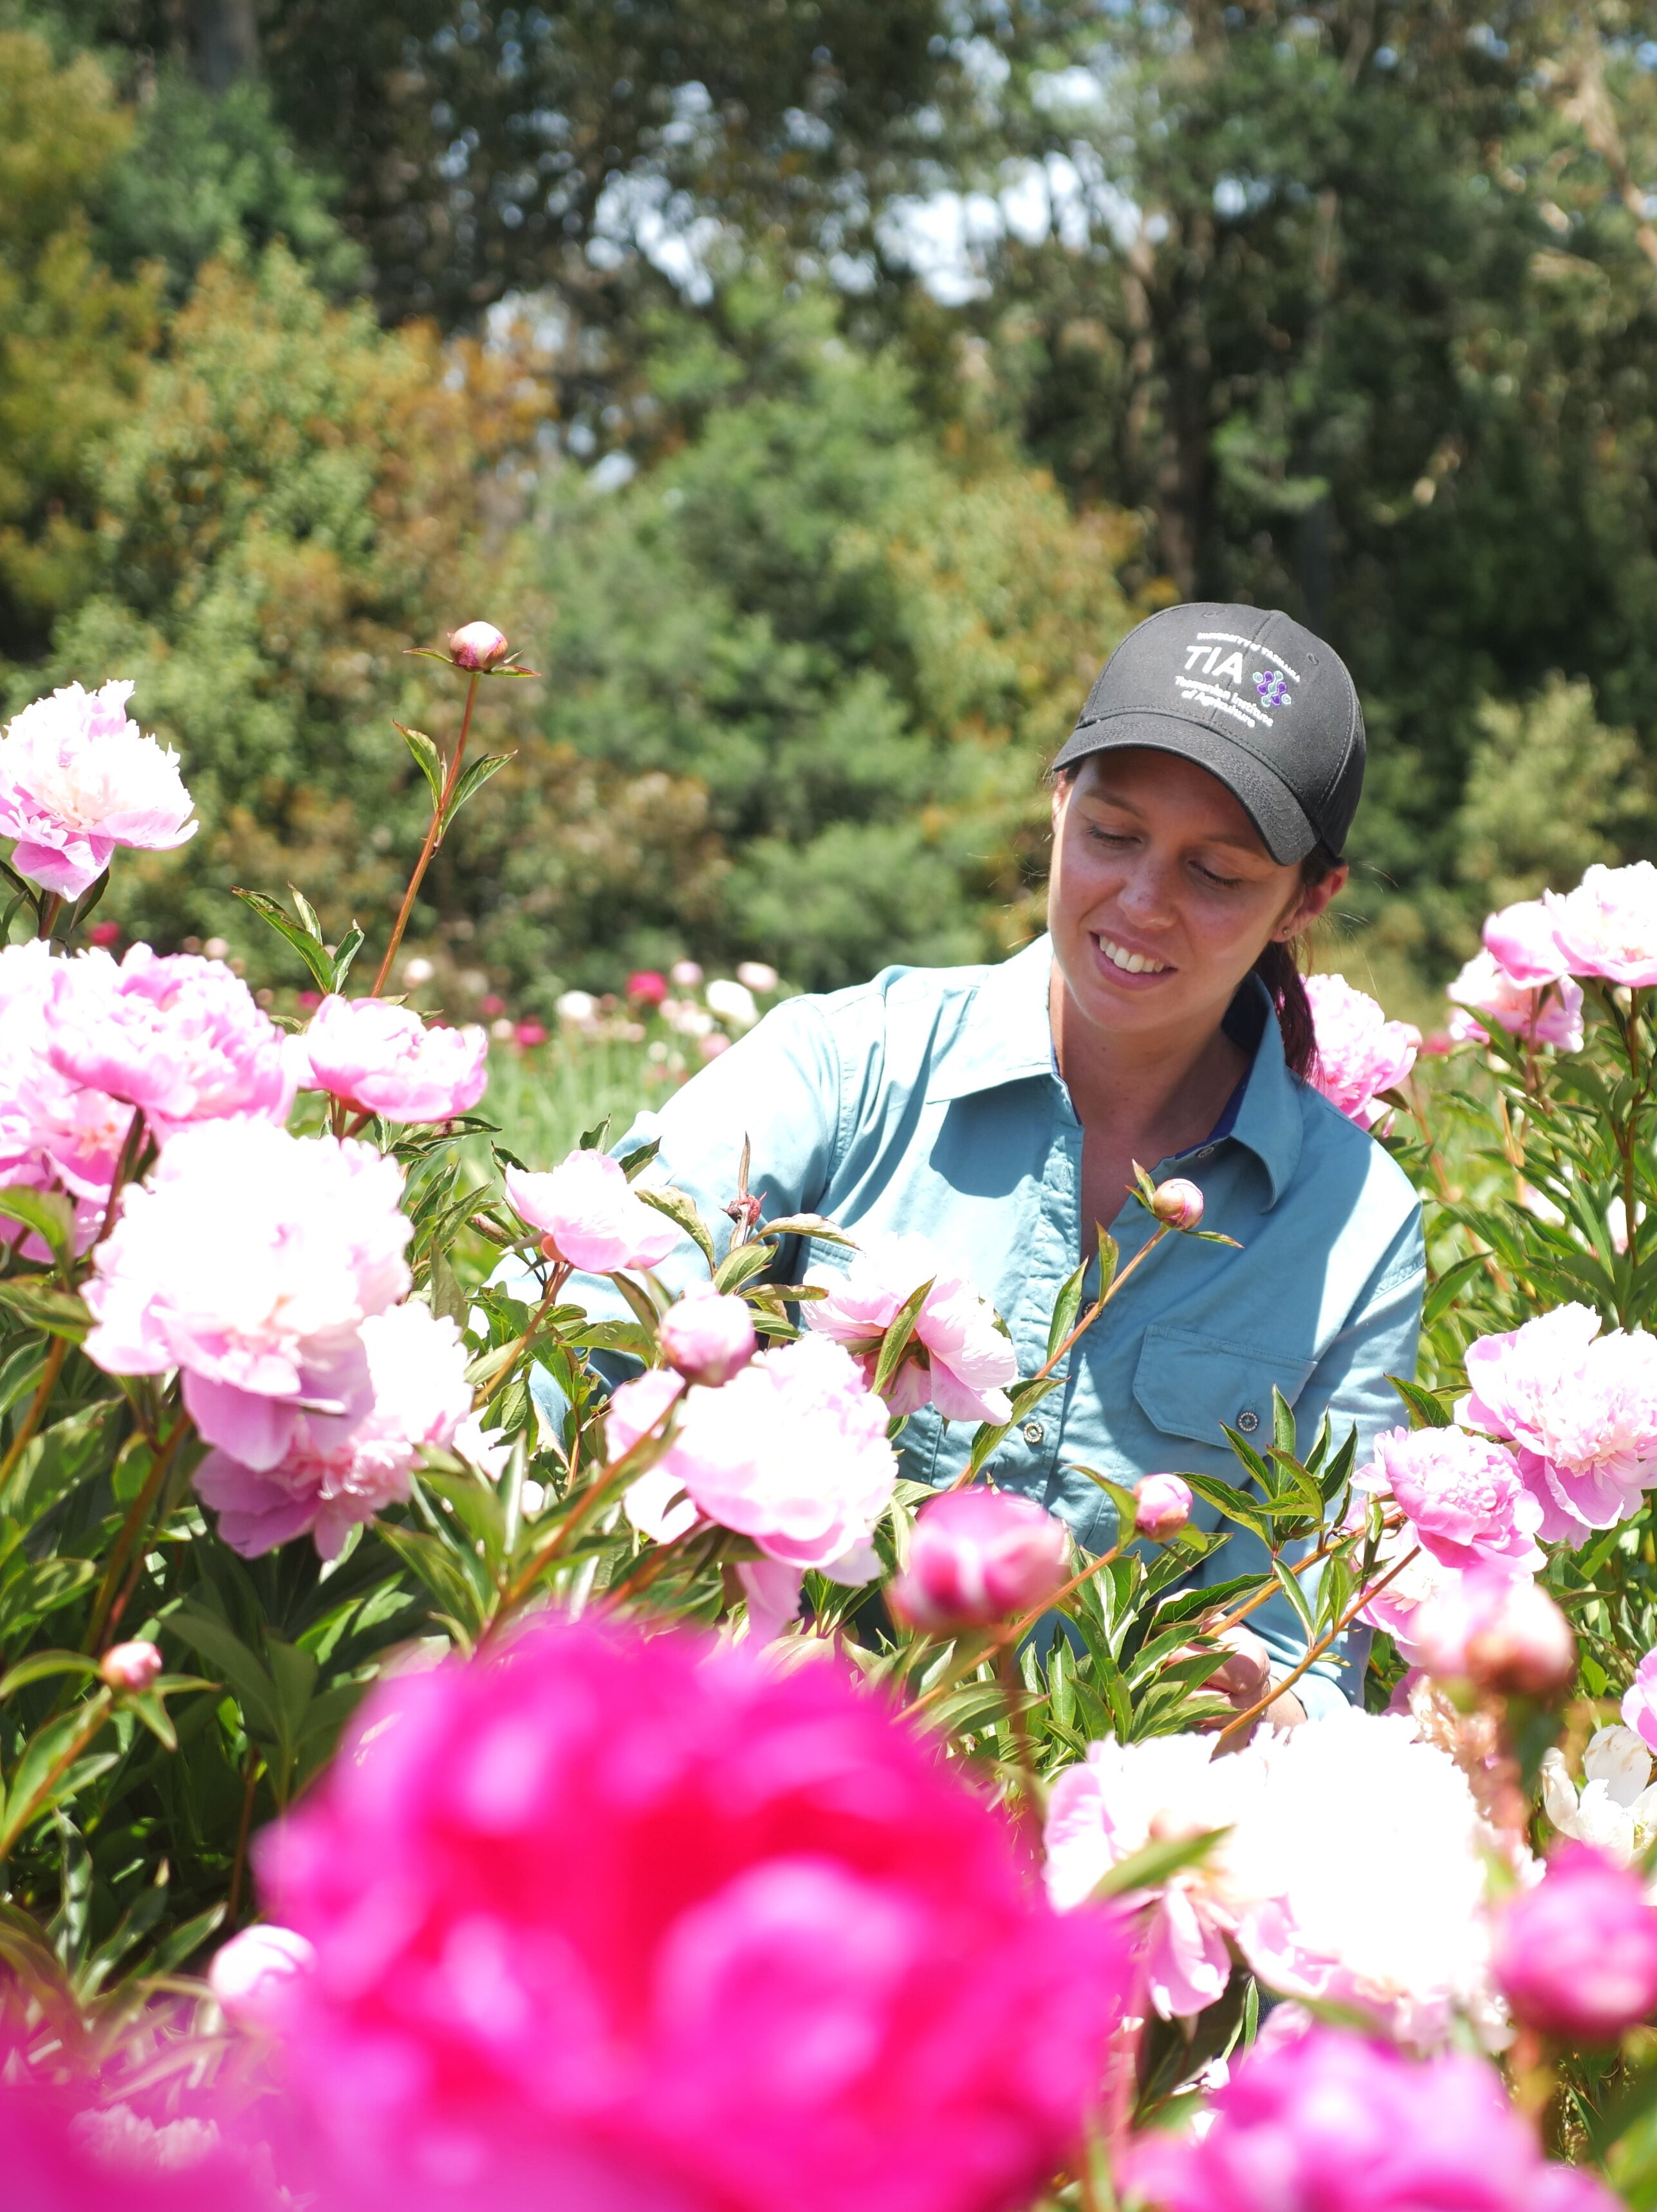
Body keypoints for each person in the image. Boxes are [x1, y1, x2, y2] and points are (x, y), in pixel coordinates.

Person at [591, 602, 1425, 1715]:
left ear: (1307, 900)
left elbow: (1310, 1646)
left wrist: (1251, 1696)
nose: (1140, 901)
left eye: (1216, 873)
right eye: (1113, 833)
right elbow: (577, 1343)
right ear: (1058, 804)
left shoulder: (1356, 1227)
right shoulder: (843, 1068)